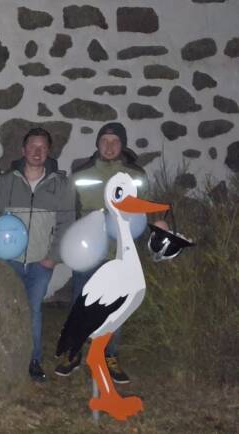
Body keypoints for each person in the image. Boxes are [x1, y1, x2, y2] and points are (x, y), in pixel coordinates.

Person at [55, 122, 159, 383]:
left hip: (118, 254)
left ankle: (109, 355)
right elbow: (68, 212)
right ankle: (74, 352)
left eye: (115, 141)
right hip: (87, 251)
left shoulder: (136, 174)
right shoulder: (80, 173)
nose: (109, 146)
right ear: (98, 144)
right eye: (105, 140)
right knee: (81, 302)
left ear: (122, 145)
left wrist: (157, 224)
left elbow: (142, 211)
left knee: (116, 308)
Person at [0, 127, 75, 382]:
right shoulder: (6, 181)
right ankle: (5, 359)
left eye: (43, 147)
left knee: (33, 310)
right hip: (10, 262)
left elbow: (66, 223)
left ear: (48, 151)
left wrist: (52, 258)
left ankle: (33, 361)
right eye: (32, 147)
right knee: (8, 308)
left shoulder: (61, 185)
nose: (37, 151)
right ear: (23, 150)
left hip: (40, 263)